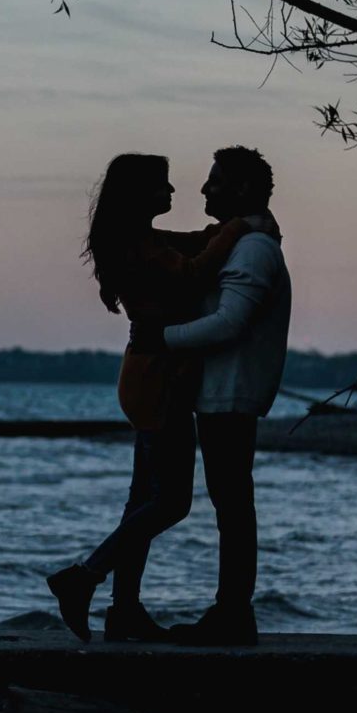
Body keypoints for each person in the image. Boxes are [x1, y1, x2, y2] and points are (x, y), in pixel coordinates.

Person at [45, 153, 271, 642]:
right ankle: (83, 578)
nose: (173, 194)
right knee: (171, 502)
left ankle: (123, 610)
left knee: (143, 499)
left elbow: (193, 245)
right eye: (162, 188)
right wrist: (240, 229)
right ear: (137, 195)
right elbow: (192, 273)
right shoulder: (136, 248)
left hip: (155, 375)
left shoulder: (144, 241)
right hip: (156, 379)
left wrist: (235, 228)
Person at [129, 146, 292, 646]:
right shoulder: (241, 240)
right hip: (218, 390)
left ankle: (232, 614)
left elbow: (230, 323)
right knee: (230, 503)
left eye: (216, 181)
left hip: (230, 392)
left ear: (242, 190)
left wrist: (160, 339)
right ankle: (229, 612)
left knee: (232, 504)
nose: (203, 189)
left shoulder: (254, 249)